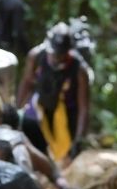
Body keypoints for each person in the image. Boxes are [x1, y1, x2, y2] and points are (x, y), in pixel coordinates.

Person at [16, 22, 91, 167]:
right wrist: (16, 113)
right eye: (53, 54)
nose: (56, 58)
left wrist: (79, 139)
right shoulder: (36, 56)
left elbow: (84, 108)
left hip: (67, 116)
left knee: (67, 157)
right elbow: (26, 84)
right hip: (39, 111)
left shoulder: (79, 70)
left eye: (60, 55)